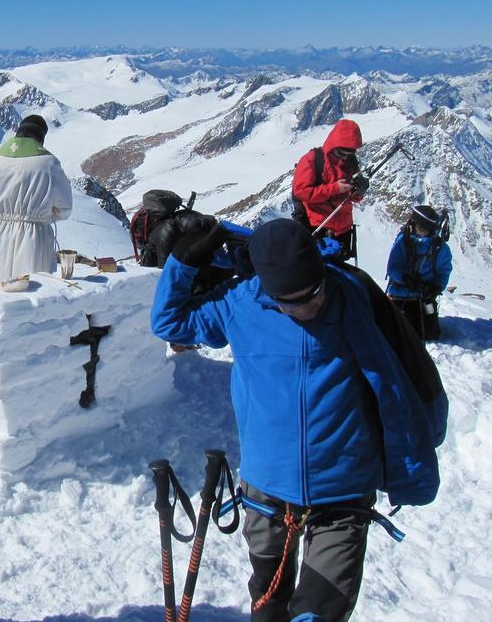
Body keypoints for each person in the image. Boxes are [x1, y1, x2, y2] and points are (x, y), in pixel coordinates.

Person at [151, 218, 444, 622]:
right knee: (268, 607)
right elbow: (168, 323)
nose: (307, 308)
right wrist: (183, 262)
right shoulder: (240, 302)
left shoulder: (352, 296)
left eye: (313, 294)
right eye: (291, 302)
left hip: (342, 494)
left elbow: (399, 373)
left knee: (319, 613)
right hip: (266, 491)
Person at [0, 114, 73, 287]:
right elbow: (64, 207)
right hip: (34, 238)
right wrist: (42, 217)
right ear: (41, 136)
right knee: (28, 295)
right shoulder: (49, 163)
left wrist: (0, 216)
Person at [291, 119, 368, 258]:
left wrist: (359, 192)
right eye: (341, 153)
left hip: (342, 230)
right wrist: (335, 188)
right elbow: (301, 191)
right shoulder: (312, 160)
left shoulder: (351, 162)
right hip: (318, 227)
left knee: (336, 274)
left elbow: (352, 196)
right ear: (333, 145)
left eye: (348, 154)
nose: (344, 158)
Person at [386, 204, 453, 341]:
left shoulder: (439, 248)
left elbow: (443, 272)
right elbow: (393, 269)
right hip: (400, 294)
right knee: (398, 332)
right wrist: (405, 278)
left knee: (429, 334)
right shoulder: (402, 242)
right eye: (420, 228)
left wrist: (435, 288)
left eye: (425, 230)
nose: (422, 232)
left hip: (424, 296)